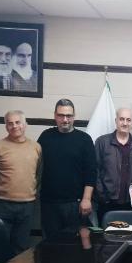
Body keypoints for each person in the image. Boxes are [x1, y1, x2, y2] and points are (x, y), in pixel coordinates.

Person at [38, 99, 96, 239]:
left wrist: (86, 199)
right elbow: (35, 167)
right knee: (50, 246)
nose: (65, 119)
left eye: (69, 116)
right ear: (55, 116)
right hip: (49, 204)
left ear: (74, 116)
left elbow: (91, 172)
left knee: (75, 247)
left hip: (75, 204)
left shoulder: (85, 139)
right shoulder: (45, 137)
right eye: (61, 115)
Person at [0, 110, 42, 254]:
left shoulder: (36, 147)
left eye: (18, 122)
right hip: (1, 205)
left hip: (27, 205)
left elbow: (38, 174)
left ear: (25, 124)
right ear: (6, 126)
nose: (14, 126)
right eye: (10, 123)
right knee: (0, 247)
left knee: (20, 247)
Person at [94, 107, 132, 223]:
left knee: (130, 233)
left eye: (128, 120)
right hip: (107, 203)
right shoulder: (102, 142)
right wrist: (102, 196)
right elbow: (95, 170)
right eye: (122, 119)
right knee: (106, 234)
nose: (125, 123)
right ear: (116, 121)